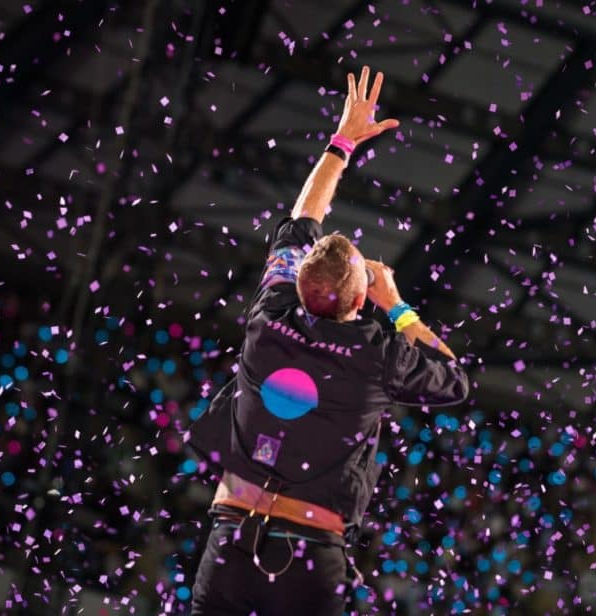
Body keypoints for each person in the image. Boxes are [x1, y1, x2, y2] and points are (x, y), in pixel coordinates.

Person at [185, 65, 470, 616]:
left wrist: (342, 142)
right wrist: (398, 306)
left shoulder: (269, 314)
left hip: (231, 542)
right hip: (312, 560)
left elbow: (302, 220)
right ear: (361, 300)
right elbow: (455, 380)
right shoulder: (382, 354)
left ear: (296, 281)